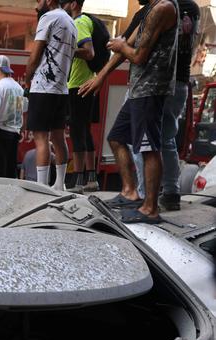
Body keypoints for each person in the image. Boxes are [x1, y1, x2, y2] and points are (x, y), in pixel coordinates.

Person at [79, 0, 179, 223]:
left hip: (150, 89)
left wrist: (120, 46)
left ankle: (150, 209)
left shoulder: (163, 8)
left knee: (148, 148)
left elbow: (137, 55)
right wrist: (101, 76)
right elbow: (128, 45)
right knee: (116, 138)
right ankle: (129, 192)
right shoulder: (148, 11)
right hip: (137, 89)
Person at [132, 0, 199, 211]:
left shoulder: (160, 8)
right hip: (181, 81)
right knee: (167, 139)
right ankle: (171, 192)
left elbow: (135, 44)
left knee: (142, 140)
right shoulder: (192, 8)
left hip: (156, 81)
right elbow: (191, 45)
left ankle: (144, 195)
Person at [25, 0, 77, 191]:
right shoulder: (71, 22)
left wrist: (27, 76)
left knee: (41, 138)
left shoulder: (49, 17)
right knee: (58, 137)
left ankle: (41, 186)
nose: (37, 4)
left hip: (43, 86)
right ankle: (59, 184)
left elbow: (36, 53)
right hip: (61, 89)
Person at [61, 0, 99, 193]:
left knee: (77, 132)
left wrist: (66, 50)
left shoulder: (79, 22)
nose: (63, 5)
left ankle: (77, 182)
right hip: (87, 83)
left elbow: (89, 52)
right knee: (84, 131)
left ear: (74, 3)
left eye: (65, 2)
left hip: (78, 84)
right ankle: (91, 179)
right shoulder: (83, 21)